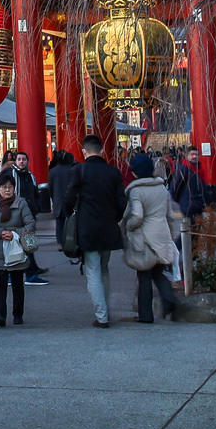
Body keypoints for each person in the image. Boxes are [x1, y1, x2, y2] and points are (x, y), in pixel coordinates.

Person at [58, 133, 128, 328]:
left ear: (84, 151)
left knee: (93, 271)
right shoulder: (113, 172)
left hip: (87, 227)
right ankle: (106, 311)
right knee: (104, 268)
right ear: (102, 150)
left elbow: (68, 198)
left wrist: (71, 214)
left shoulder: (79, 171)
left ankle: (102, 315)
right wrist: (114, 218)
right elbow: (122, 201)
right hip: (108, 226)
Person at [122, 152, 185, 323]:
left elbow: (137, 216)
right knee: (158, 273)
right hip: (161, 233)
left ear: (135, 172)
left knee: (144, 276)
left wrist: (127, 226)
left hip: (144, 238)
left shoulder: (136, 191)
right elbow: (169, 214)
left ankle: (146, 315)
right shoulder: (161, 188)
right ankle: (170, 299)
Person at [0, 171, 35, 327]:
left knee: (17, 284)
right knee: (0, 284)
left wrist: (15, 233)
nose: (7, 190)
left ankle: (17, 314)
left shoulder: (21, 204)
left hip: (17, 249)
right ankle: (1, 315)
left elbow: (30, 224)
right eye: (3, 187)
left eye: (10, 187)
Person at [4, 151, 49, 282]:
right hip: (15, 214)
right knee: (15, 243)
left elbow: (35, 193)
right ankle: (20, 274)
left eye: (24, 159)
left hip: (29, 213)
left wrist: (36, 208)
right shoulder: (10, 174)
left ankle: (31, 269)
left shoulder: (30, 176)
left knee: (28, 242)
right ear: (15, 161)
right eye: (19, 159)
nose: (22, 161)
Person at [169, 150, 210, 223]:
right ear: (187, 156)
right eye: (192, 154)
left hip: (199, 204)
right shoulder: (183, 169)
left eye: (196, 154)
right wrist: (181, 200)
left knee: (195, 228)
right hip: (188, 204)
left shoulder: (200, 169)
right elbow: (175, 186)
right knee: (191, 227)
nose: (194, 156)